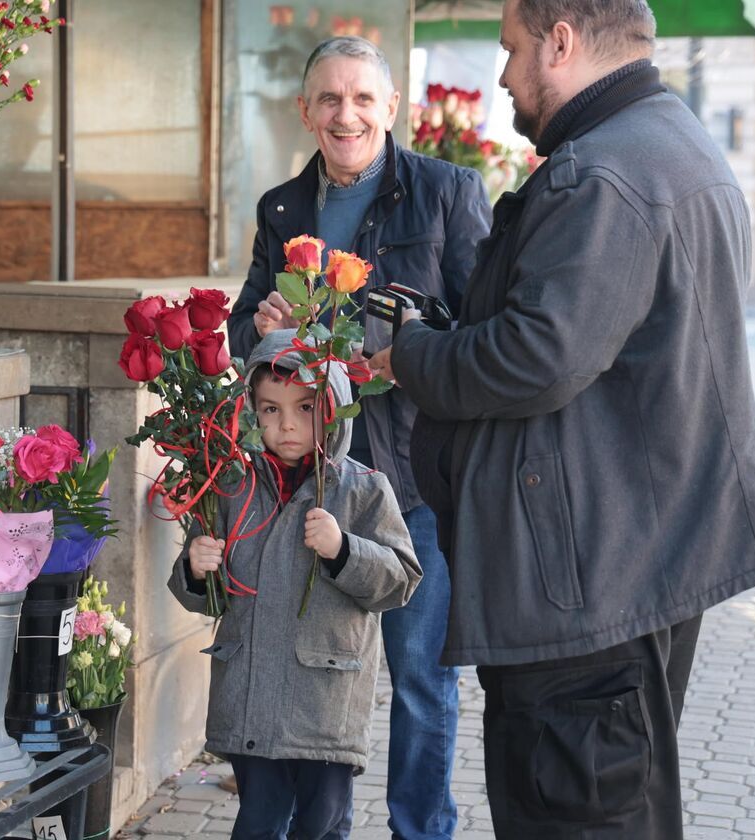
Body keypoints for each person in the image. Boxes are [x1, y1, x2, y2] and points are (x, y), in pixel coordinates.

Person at [369, 1, 755, 837]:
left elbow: (534, 357)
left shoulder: (601, 172)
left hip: (588, 586)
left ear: (560, 42)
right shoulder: (671, 141)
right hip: (633, 558)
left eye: (512, 49)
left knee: (580, 814)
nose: (503, 76)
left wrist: (409, 351)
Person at [226, 36, 490, 840]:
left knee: (419, 679)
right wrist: (260, 326)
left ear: (392, 108)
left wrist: (418, 357)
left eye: (364, 99)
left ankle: (419, 831)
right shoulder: (281, 209)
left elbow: (486, 334)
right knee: (307, 674)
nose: (348, 115)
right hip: (306, 489)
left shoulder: (447, 194)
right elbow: (242, 329)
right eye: (331, 100)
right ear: (306, 111)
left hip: (412, 482)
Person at [168, 330, 422, 840]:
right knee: (258, 820)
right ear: (250, 412)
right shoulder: (230, 485)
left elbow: (400, 581)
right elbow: (200, 591)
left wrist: (344, 549)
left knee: (322, 823)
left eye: (305, 408)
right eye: (269, 410)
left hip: (325, 702)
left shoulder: (363, 488)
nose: (286, 425)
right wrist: (196, 567)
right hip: (250, 698)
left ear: (333, 409)